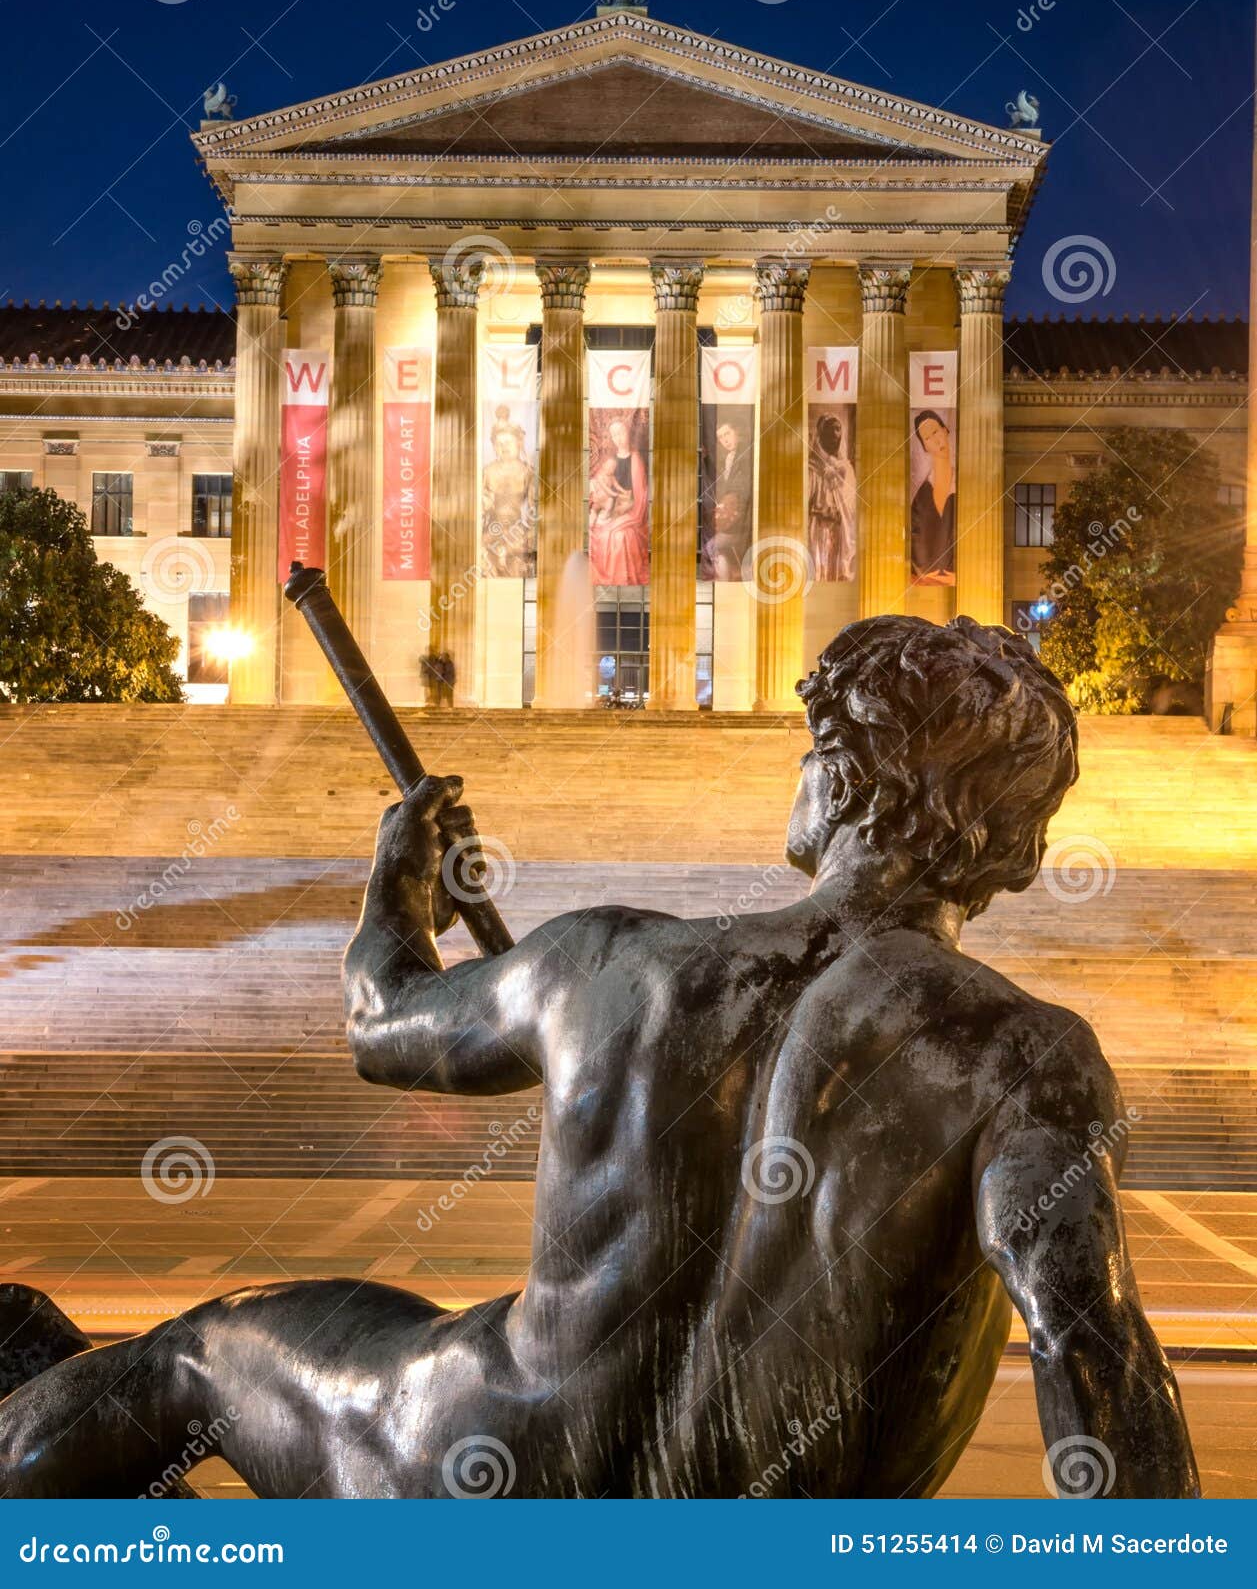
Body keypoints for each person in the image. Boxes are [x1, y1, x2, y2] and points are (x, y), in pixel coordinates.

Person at [0, 617, 1199, 1498]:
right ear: (1016, 850)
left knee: (207, 1355)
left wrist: (396, 881)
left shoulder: (616, 960)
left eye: (808, 746)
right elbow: (1094, 1353)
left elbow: (382, 1022)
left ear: (840, 774)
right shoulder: (1027, 1057)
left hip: (482, 1472)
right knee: (386, 1320)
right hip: (762, 1525)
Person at [588, 416, 649, 585]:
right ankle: (607, 579)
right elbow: (599, 484)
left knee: (617, 536)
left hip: (631, 512)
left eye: (621, 432)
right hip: (610, 508)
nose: (619, 438)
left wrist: (626, 505)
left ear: (628, 433)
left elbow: (640, 495)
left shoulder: (636, 459)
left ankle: (621, 579)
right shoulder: (610, 460)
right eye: (614, 434)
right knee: (599, 531)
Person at [482, 410, 535, 579]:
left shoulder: (527, 472)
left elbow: (534, 509)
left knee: (516, 558)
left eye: (508, 442)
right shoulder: (488, 471)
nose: (504, 447)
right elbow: (481, 506)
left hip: (517, 529)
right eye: (499, 443)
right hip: (493, 528)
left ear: (518, 443)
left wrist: (529, 534)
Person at [807, 411, 856, 582]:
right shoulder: (811, 467)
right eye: (830, 430)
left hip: (839, 529)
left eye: (838, 430)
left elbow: (851, 504)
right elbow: (805, 502)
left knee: (837, 571)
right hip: (818, 529)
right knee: (818, 570)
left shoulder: (846, 468)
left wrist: (841, 513)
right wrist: (821, 511)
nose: (835, 435)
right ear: (821, 435)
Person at [701, 419, 752, 580]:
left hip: (741, 523)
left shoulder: (746, 456)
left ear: (736, 431)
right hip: (731, 519)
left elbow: (742, 491)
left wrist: (727, 507)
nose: (725, 440)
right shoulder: (728, 459)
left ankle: (725, 582)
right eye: (721, 437)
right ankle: (725, 582)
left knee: (710, 548)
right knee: (716, 551)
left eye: (727, 433)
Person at [910, 409, 956, 583]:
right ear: (924, 447)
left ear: (945, 430)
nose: (936, 441)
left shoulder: (964, 487)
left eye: (936, 431)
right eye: (927, 438)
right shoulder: (919, 501)